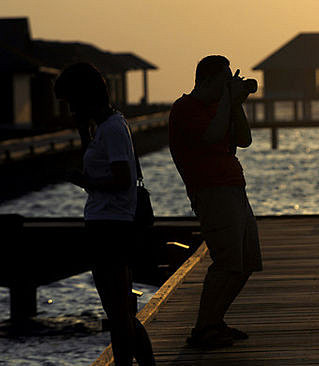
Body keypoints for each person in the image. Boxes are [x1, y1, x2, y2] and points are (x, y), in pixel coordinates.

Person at [54, 63, 155, 366]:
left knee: (117, 311)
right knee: (119, 310)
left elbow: (122, 178)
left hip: (110, 226)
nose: (70, 109)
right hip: (107, 222)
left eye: (71, 102)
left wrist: (84, 181)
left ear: (84, 98)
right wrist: (83, 133)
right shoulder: (106, 126)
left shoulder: (111, 128)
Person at [169, 55, 263, 350]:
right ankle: (203, 328)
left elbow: (244, 140)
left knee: (245, 261)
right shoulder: (185, 109)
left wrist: (235, 104)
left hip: (234, 188)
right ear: (207, 81)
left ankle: (214, 321)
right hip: (211, 192)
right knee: (225, 262)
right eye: (223, 82)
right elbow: (210, 137)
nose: (227, 88)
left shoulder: (218, 107)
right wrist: (227, 102)